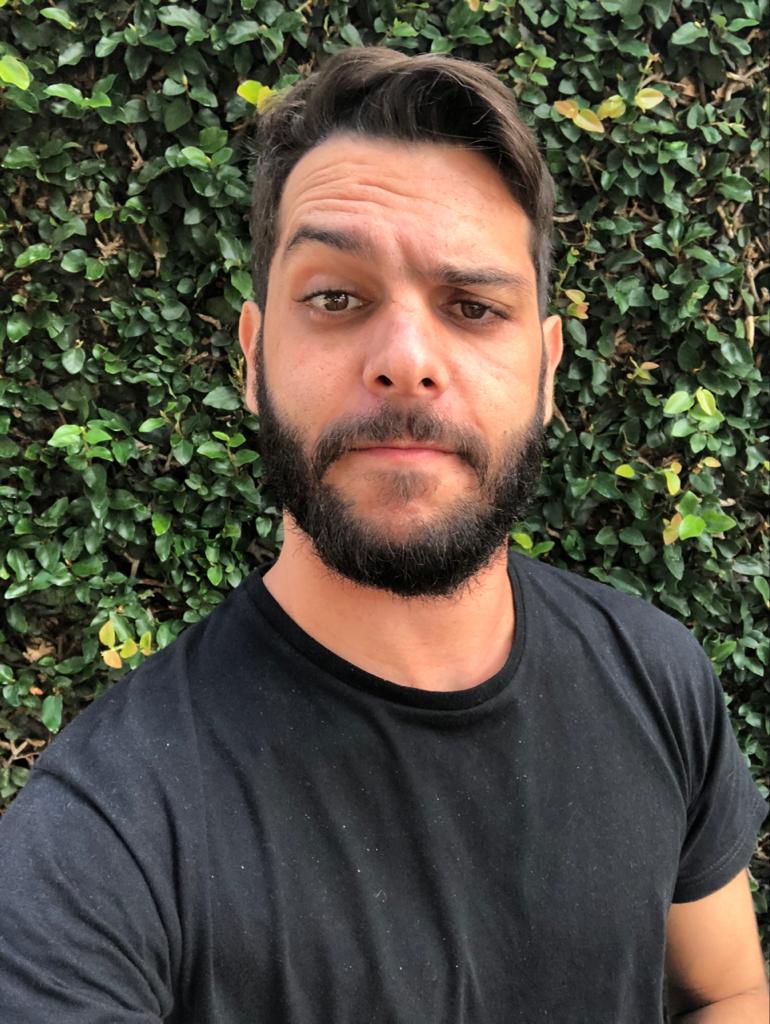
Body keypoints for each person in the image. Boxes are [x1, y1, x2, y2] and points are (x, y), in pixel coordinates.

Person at [0, 46, 767, 1024]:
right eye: (335, 298)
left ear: (545, 371)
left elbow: (724, 990)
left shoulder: (657, 677)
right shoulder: (103, 837)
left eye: (472, 307)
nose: (405, 360)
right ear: (252, 358)